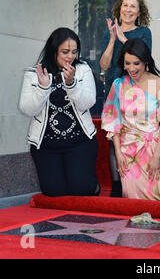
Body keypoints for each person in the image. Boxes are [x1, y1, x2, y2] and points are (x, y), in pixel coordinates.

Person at [18, 27, 100, 197]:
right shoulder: (34, 74)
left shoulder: (83, 69)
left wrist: (71, 84)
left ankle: (93, 186)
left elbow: (88, 102)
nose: (71, 56)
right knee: (53, 192)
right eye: (65, 52)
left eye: (74, 52)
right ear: (53, 50)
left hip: (80, 142)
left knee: (81, 190)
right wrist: (42, 87)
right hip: (47, 145)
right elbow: (27, 109)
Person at [101, 38, 160, 201]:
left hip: (152, 150)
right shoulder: (118, 84)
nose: (132, 68)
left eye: (136, 63)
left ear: (145, 62)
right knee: (132, 202)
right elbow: (113, 120)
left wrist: (156, 156)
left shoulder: (159, 83)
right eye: (127, 63)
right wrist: (118, 154)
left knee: (156, 199)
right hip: (127, 152)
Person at [100, 0, 152, 197]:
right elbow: (104, 66)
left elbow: (143, 58)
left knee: (136, 136)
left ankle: (136, 183)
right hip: (114, 92)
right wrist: (113, 39)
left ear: (139, 12)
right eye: (125, 5)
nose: (128, 9)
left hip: (137, 92)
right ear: (119, 9)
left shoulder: (144, 33)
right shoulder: (108, 34)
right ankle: (116, 185)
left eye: (133, 7)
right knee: (116, 138)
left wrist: (122, 37)